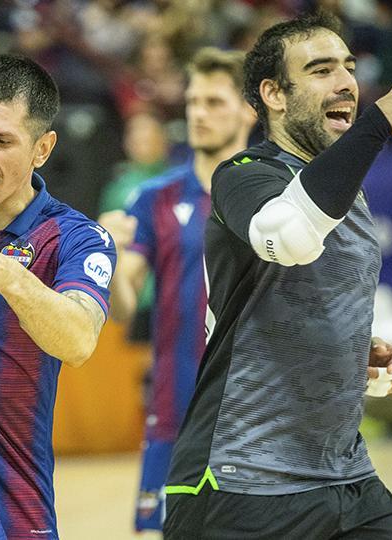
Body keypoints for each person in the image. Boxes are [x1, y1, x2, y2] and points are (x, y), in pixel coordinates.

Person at [164, 13, 392, 538]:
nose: (344, 82)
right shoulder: (243, 175)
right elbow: (285, 237)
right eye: (320, 69)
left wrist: (355, 350)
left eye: (349, 67)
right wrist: (379, 124)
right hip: (240, 482)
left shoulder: (346, 189)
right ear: (274, 94)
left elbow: (301, 300)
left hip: (346, 476)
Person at [0, 54, 117, 537]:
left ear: (43, 148)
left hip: (12, 504)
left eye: (1, 140)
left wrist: (10, 277)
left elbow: (78, 340)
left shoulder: (74, 237)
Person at [98, 47, 256, 532]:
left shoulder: (274, 198)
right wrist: (108, 258)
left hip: (253, 417)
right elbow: (123, 306)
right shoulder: (154, 198)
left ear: (250, 110)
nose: (198, 114)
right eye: (192, 102)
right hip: (174, 411)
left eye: (214, 102)